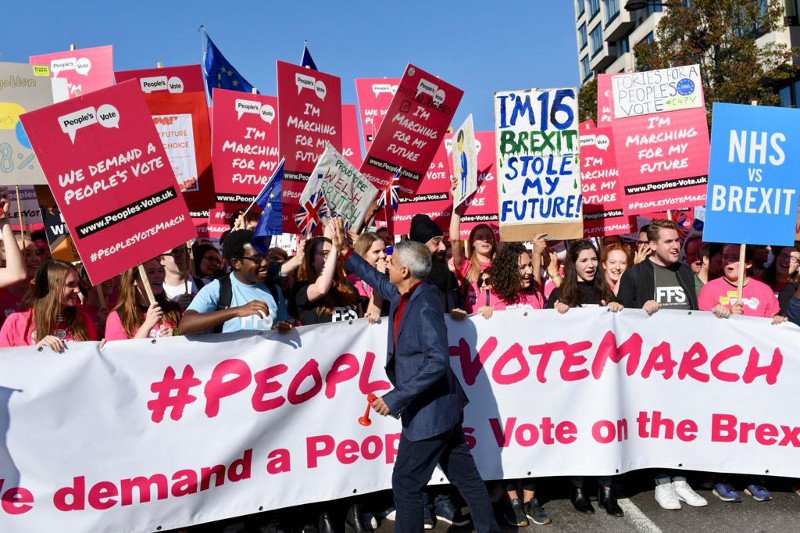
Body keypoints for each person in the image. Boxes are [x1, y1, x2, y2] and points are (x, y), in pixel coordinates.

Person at [337, 218, 500, 533]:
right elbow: (374, 278)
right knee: (466, 477)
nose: (386, 263)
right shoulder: (404, 291)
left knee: (406, 483)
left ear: (404, 271)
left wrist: (396, 397)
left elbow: (438, 361)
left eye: (392, 260)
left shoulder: (424, 304)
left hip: (431, 412)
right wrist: (345, 251)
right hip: (441, 409)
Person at [616, 219, 707, 510]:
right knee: (659, 423)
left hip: (685, 363)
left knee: (681, 421)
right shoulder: (635, 274)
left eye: (677, 240)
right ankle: (662, 481)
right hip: (653, 365)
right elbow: (620, 318)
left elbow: (696, 313)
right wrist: (639, 311)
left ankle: (681, 478)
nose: (675, 246)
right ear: (652, 245)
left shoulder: (685, 272)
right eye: (668, 241)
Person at [545, 241, 623, 517]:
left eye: (593, 259)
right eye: (583, 260)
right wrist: (555, 312)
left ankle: (607, 490)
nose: (589, 265)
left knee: (606, 432)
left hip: (604, 378)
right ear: (572, 264)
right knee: (578, 432)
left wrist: (617, 309)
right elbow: (542, 333)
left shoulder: (606, 291)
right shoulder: (560, 293)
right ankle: (578, 489)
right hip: (575, 381)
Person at [179, 230, 293, 335]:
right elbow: (185, 325)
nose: (264, 263)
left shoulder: (273, 290)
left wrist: (281, 327)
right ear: (236, 263)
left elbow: (281, 323)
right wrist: (236, 311)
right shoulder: (219, 288)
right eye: (256, 259)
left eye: (265, 257)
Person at [0, 259, 99, 351]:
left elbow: (93, 359)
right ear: (48, 287)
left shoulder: (84, 320)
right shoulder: (16, 323)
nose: (77, 290)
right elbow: (6, 361)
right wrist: (37, 351)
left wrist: (102, 347)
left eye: (77, 284)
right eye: (70, 285)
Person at [698, 244, 785, 326]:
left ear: (749, 263)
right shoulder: (709, 288)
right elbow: (703, 323)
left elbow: (772, 321)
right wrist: (727, 314)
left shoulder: (764, 290)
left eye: (735, 258)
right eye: (725, 257)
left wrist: (778, 320)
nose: (729, 262)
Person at [291, 227, 360, 326]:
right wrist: (335, 246)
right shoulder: (300, 288)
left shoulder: (347, 285)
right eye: (324, 253)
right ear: (311, 260)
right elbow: (321, 289)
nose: (331, 257)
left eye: (333, 254)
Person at [449, 175, 496, 313]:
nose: (485, 240)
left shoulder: (501, 266)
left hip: (499, 321)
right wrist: (457, 203)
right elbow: (454, 239)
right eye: (480, 237)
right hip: (472, 322)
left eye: (489, 237)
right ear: (472, 243)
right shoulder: (466, 266)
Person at [105, 259, 183, 340]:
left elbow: (184, 336)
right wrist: (147, 325)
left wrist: (174, 334)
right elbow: (119, 348)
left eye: (160, 271)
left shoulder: (173, 309)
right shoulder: (117, 317)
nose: (159, 275)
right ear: (134, 280)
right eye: (151, 272)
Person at [350, 232, 389, 323]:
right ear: (363, 256)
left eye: (384, 251)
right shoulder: (350, 282)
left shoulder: (391, 280)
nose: (383, 255)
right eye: (376, 252)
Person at [160, 245, 203, 311]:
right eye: (176, 252)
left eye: (186, 250)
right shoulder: (157, 291)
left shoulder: (201, 284)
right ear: (161, 260)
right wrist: (174, 307)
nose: (184, 256)